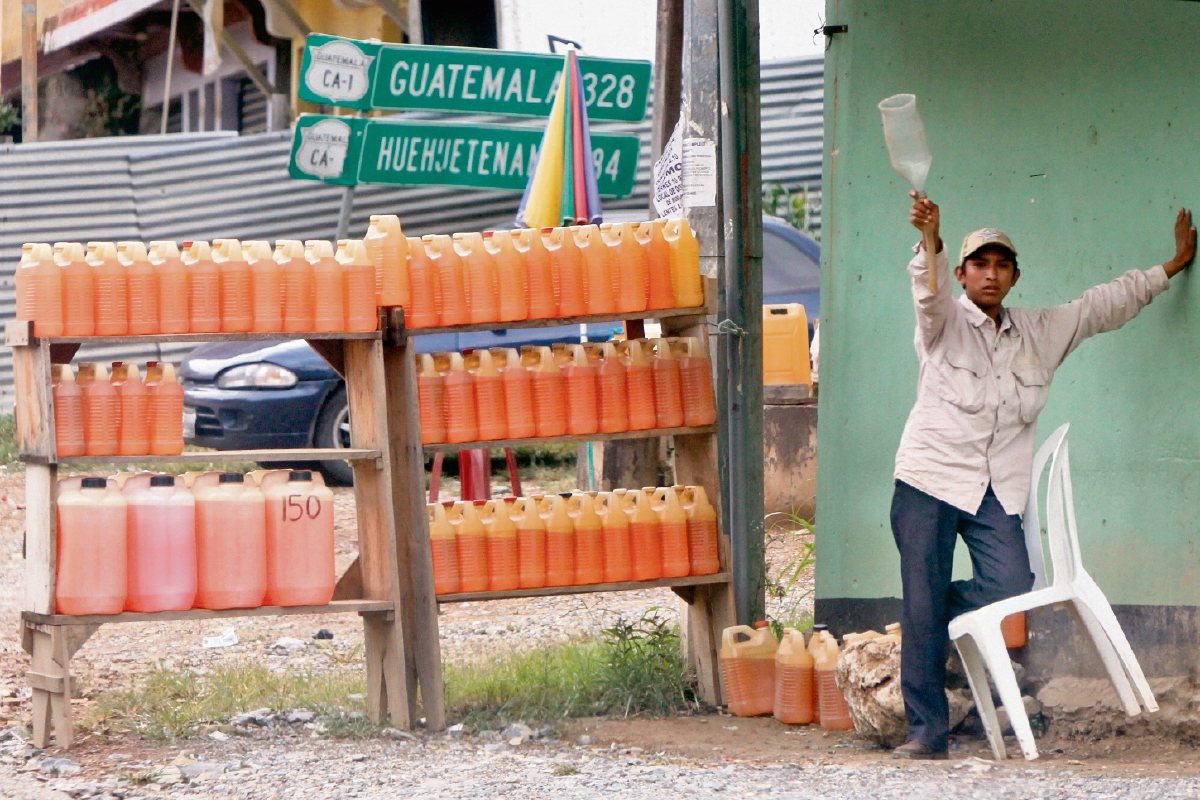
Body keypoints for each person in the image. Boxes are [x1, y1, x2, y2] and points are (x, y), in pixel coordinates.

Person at [890, 192, 1196, 759]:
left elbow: (1101, 305)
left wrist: (1171, 268)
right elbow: (925, 291)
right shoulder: (942, 321)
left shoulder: (1038, 331)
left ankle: (925, 613)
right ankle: (926, 731)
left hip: (992, 490)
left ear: (1014, 276)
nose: (990, 273)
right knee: (924, 596)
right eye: (978, 264)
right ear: (961, 273)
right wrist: (931, 239)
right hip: (928, 480)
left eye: (1001, 264)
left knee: (1010, 583)